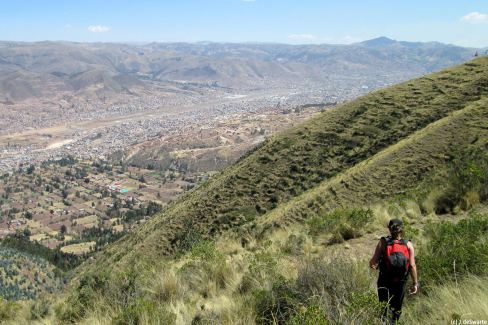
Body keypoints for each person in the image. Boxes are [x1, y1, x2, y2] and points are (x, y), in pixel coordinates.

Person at [369, 219, 418, 324]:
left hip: (384, 280)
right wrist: (415, 283)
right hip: (400, 282)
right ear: (402, 229)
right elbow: (413, 265)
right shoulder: (408, 244)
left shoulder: (383, 242)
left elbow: (373, 262)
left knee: (383, 307)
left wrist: (374, 264)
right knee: (396, 309)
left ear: (389, 229)